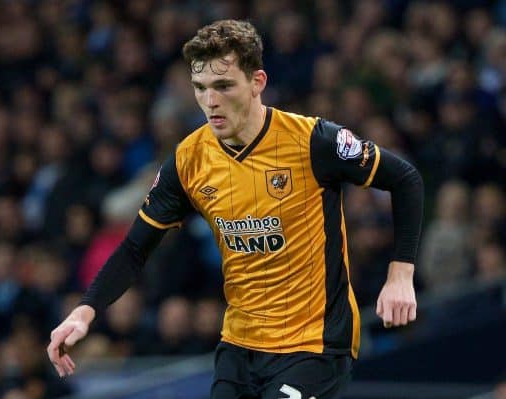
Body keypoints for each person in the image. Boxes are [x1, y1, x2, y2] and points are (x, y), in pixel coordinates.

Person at [47, 20, 423, 399]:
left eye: (223, 86)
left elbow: (405, 178)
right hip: (239, 347)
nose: (210, 101)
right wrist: (85, 311)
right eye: (200, 88)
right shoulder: (189, 159)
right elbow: (134, 248)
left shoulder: (311, 141)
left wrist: (400, 273)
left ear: (257, 82)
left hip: (314, 345)